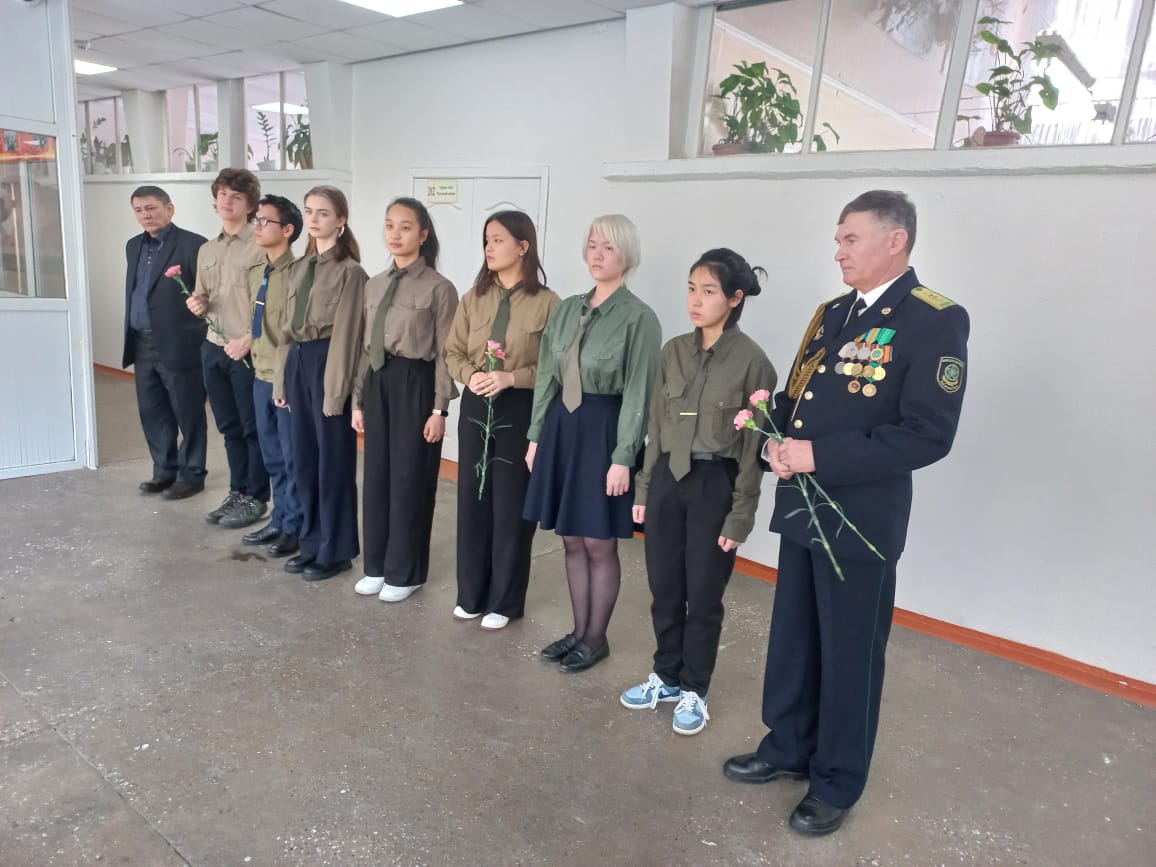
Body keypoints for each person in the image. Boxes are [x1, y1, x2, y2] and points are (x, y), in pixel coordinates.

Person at [722, 190, 970, 836]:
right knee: (794, 640)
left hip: (859, 520)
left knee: (850, 654)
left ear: (895, 240)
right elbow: (799, 397)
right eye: (838, 240)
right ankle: (787, 746)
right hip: (803, 507)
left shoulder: (933, 319)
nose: (838, 252)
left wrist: (818, 455)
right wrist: (773, 437)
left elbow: (927, 434)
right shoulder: (832, 313)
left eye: (850, 239)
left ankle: (836, 780)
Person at [623, 248, 776, 735]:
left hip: (715, 484)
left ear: (734, 298)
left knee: (704, 596)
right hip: (669, 479)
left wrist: (741, 514)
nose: (695, 300)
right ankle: (666, 676)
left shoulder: (753, 363)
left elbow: (753, 447)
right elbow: (656, 427)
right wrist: (644, 488)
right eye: (691, 289)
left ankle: (695, 688)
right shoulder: (672, 352)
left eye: (708, 291)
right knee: (664, 589)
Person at [523, 214, 661, 673]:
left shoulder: (639, 318)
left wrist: (624, 457)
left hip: (604, 431)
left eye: (609, 247)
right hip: (562, 429)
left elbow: (639, 392)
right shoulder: (566, 310)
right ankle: (578, 631)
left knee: (598, 541)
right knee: (571, 538)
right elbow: (547, 377)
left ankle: (595, 638)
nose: (597, 255)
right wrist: (536, 436)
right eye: (593, 246)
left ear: (627, 255)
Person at [444, 211, 560, 629]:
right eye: (487, 240)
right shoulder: (473, 297)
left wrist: (514, 377)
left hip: (519, 408)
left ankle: (505, 602)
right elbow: (453, 351)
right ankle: (471, 594)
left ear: (523, 246)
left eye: (498, 240)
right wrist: (470, 374)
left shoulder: (548, 303)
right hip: (477, 406)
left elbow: (556, 366)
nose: (489, 248)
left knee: (511, 505)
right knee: (473, 499)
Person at [351, 197, 458, 603]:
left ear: (423, 235)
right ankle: (377, 566)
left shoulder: (439, 288)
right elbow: (366, 347)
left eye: (406, 227)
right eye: (389, 225)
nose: (395, 234)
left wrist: (439, 408)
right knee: (377, 476)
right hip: (379, 380)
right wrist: (358, 400)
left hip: (416, 382)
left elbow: (446, 352)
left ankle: (405, 571)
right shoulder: (374, 284)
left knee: (410, 479)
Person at [274, 186, 368, 582]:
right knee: (304, 460)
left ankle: (337, 550)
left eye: (323, 213)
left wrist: (337, 392)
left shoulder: (351, 272)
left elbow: (349, 335)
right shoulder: (299, 267)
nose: (314, 219)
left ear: (341, 220)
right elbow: (286, 329)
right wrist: (281, 381)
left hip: (329, 363)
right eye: (309, 211)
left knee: (333, 464)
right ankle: (311, 543)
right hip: (298, 362)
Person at [186, 168, 269, 529]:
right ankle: (237, 491)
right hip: (213, 347)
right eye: (222, 194)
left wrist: (249, 339)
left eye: (236, 196)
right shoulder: (207, 249)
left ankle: (256, 497)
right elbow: (203, 295)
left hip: (246, 350)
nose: (227, 201)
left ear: (250, 205)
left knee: (253, 429)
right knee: (229, 427)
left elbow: (271, 304)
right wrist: (197, 303)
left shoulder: (262, 246)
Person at [122, 186, 208, 499]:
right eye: (139, 210)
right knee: (153, 412)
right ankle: (164, 471)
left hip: (180, 344)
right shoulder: (133, 245)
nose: (145, 215)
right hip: (141, 343)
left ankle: (192, 475)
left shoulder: (194, 245)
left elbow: (206, 295)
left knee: (188, 413)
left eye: (151, 208)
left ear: (169, 209)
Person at [240, 195, 304, 559]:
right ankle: (279, 520)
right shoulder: (256, 272)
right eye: (256, 220)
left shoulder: (299, 274)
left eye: (266, 221)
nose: (258, 226)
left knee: (293, 458)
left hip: (287, 380)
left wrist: (287, 379)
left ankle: (295, 526)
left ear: (288, 230)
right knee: (273, 457)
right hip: (259, 375)